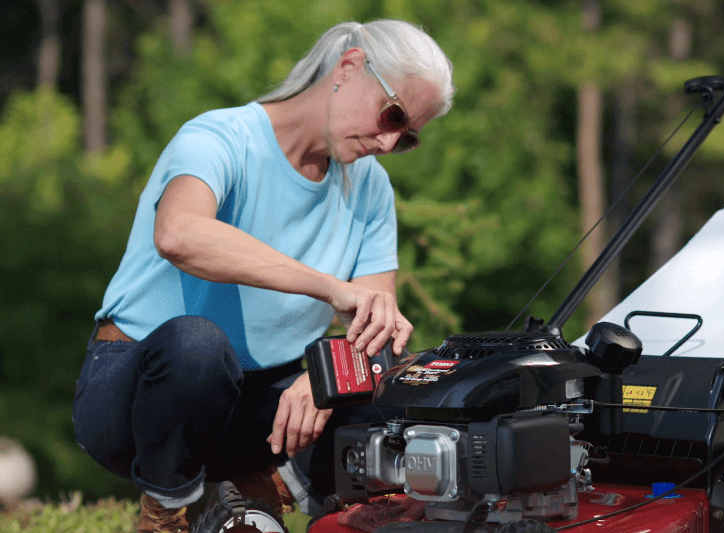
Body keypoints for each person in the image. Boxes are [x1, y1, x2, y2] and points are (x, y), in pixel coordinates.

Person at [71, 19, 455, 533]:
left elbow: (374, 330)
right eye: (392, 115)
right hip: (141, 397)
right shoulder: (218, 137)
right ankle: (165, 514)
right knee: (197, 347)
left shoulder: (372, 191)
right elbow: (179, 235)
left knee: (394, 393)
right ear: (349, 67)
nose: (388, 143)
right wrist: (328, 286)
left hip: (255, 406)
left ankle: (257, 500)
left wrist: (320, 377)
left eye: (406, 137)